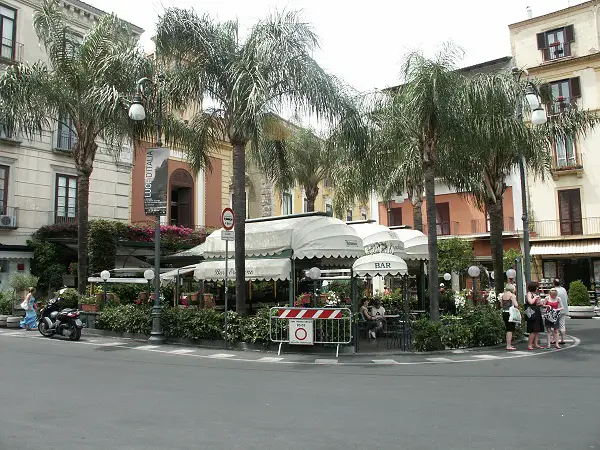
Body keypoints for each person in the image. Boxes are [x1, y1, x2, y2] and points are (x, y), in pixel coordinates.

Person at [525, 281, 545, 350]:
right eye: (537, 287)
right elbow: (530, 302)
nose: (537, 289)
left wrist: (540, 302)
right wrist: (535, 298)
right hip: (531, 313)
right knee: (532, 330)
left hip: (537, 312)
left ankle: (536, 343)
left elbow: (539, 304)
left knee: (537, 329)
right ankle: (530, 344)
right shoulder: (529, 294)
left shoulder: (536, 294)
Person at [501, 284, 519, 350]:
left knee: (507, 328)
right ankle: (508, 345)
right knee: (510, 330)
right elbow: (516, 305)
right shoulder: (512, 295)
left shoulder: (503, 295)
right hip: (510, 313)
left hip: (504, 312)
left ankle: (509, 344)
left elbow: (501, 305)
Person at [553, 279, 569, 344]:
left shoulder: (553, 290)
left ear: (554, 283)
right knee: (562, 324)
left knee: (554, 324)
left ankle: (554, 339)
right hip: (564, 309)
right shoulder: (564, 289)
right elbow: (567, 298)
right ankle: (562, 339)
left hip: (556, 309)